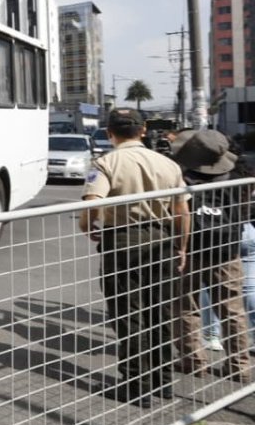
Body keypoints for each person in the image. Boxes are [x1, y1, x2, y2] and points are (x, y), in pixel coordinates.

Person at [79, 108, 191, 407]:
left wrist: (87, 225)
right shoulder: (168, 164)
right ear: (143, 131)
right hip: (162, 240)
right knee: (161, 311)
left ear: (109, 133)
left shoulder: (105, 163)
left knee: (128, 314)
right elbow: (182, 211)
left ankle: (135, 385)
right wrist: (180, 247)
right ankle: (163, 381)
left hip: (123, 240)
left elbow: (93, 201)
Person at [171, 130, 252, 382]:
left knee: (186, 306)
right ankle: (239, 366)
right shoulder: (239, 175)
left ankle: (194, 361)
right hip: (227, 249)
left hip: (190, 249)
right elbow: (244, 208)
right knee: (232, 309)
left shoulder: (182, 176)